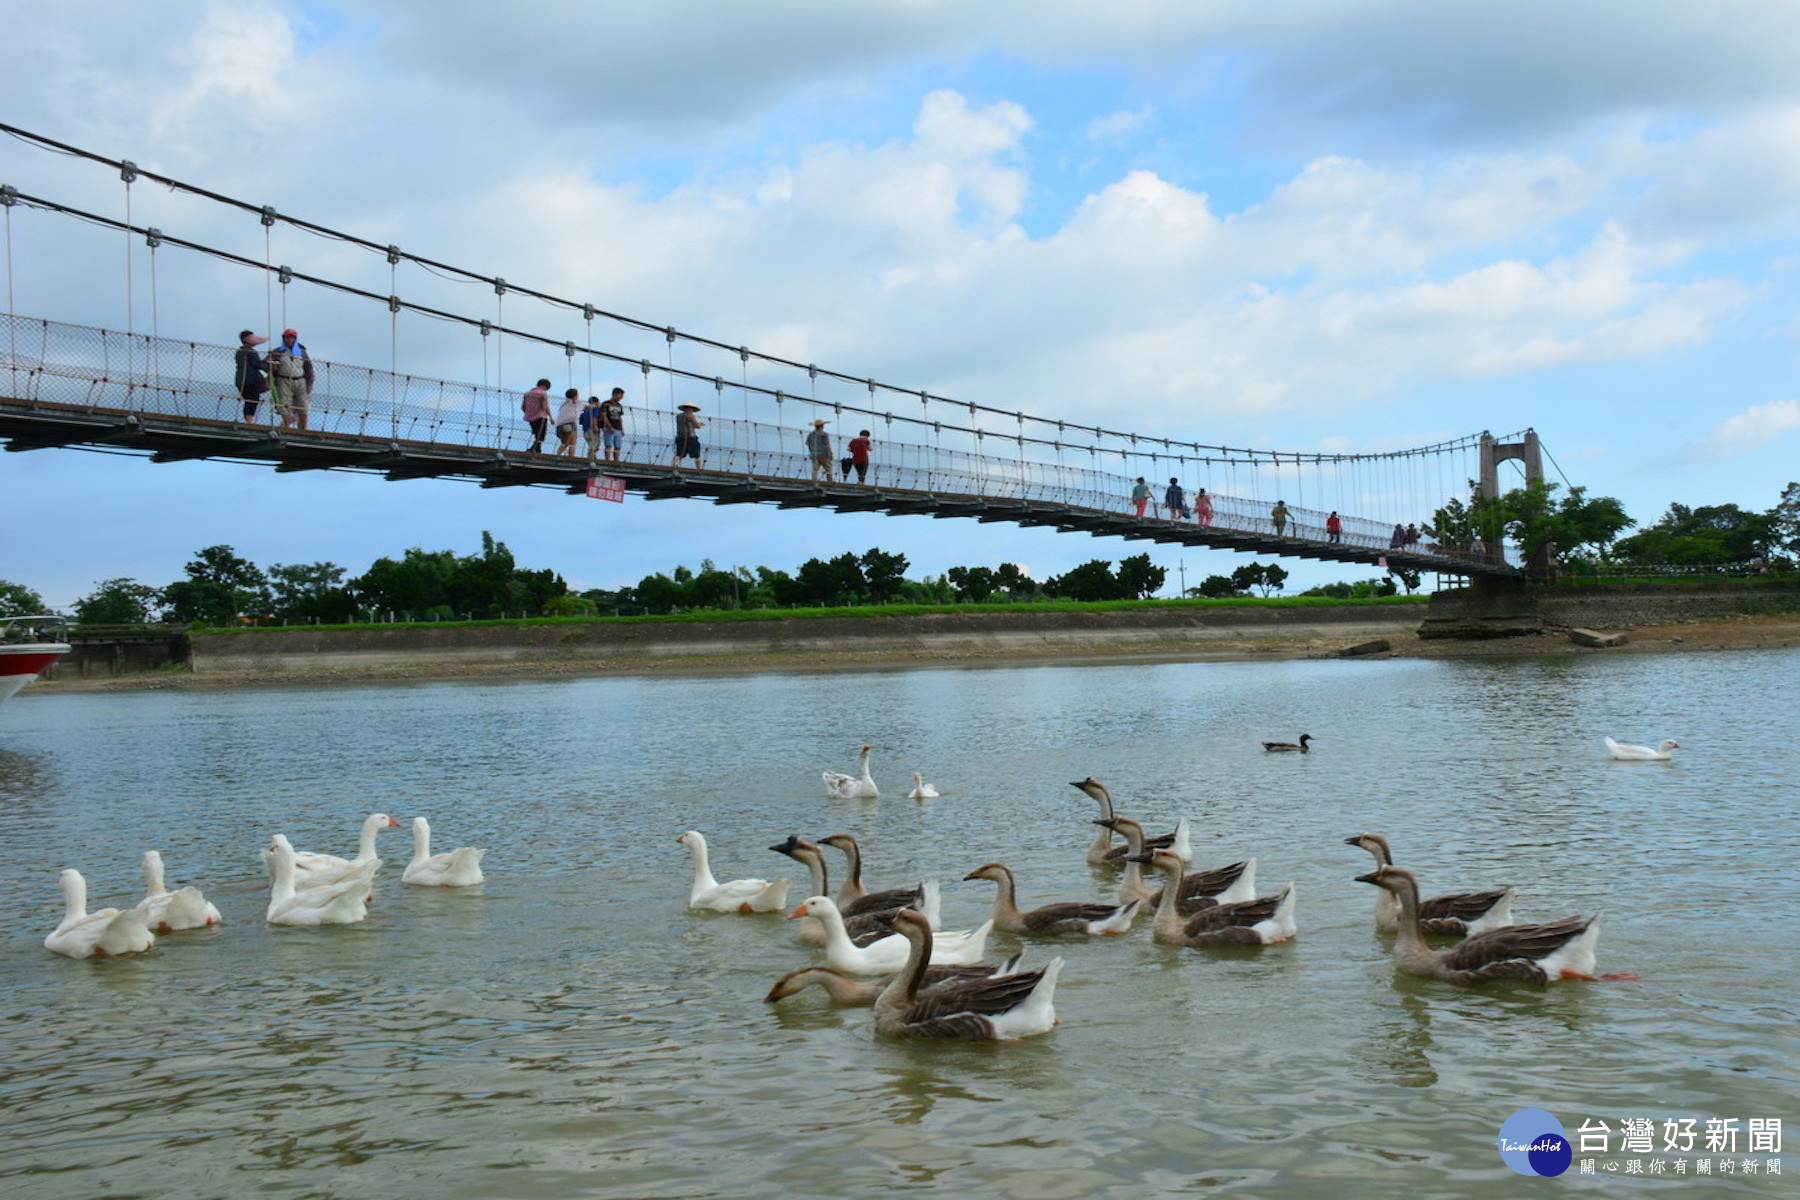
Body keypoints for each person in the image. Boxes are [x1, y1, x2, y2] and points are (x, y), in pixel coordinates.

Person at [265, 328, 314, 430]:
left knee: (302, 405)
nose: (289, 339)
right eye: (287, 337)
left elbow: (308, 367)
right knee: (284, 405)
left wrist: (309, 383)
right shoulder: (278, 351)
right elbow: (266, 362)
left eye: (291, 337)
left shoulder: (302, 352)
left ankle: (303, 428)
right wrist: (272, 364)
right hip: (283, 380)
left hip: (300, 380)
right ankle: (286, 427)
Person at [234, 330, 268, 421]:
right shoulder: (250, 352)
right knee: (253, 400)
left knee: (249, 400)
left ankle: (248, 420)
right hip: (251, 381)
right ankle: (249, 420)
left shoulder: (240, 351)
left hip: (241, 380)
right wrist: (270, 366)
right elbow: (258, 364)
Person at [521, 378, 552, 453]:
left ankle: (537, 449)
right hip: (541, 416)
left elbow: (523, 407)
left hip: (530, 416)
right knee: (541, 435)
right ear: (545, 386)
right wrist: (550, 417)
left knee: (536, 434)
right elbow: (545, 406)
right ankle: (533, 448)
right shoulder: (543, 393)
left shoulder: (527, 393)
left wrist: (528, 412)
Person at [673, 402, 704, 468]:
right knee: (697, 455)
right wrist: (701, 424)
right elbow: (697, 426)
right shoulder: (691, 416)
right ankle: (698, 469)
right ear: (691, 409)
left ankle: (673, 465)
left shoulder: (678, 416)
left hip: (680, 437)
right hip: (691, 437)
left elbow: (686, 424)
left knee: (679, 454)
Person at [554, 388, 581, 458]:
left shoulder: (563, 404)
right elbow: (587, 407)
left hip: (560, 424)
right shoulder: (576, 403)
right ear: (576, 396)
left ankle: (558, 454)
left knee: (565, 443)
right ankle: (571, 456)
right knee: (572, 443)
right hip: (570, 423)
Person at [600, 387, 626, 462]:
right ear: (615, 394)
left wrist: (622, 429)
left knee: (618, 446)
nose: (620, 398)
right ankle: (607, 459)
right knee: (608, 445)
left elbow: (620, 418)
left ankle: (616, 460)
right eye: (620, 396)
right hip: (609, 428)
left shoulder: (619, 405)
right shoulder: (605, 404)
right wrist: (609, 426)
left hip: (618, 428)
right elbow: (603, 416)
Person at [805, 418, 833, 482]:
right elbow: (827, 444)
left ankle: (814, 481)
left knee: (815, 469)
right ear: (822, 426)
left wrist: (811, 451)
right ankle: (830, 481)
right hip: (824, 454)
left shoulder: (810, 434)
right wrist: (830, 453)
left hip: (814, 454)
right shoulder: (824, 434)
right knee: (828, 468)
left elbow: (808, 444)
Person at [579, 395, 604, 462]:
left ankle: (593, 457)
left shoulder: (584, 412)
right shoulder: (595, 409)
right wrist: (595, 426)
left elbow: (580, 422)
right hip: (592, 430)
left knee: (591, 444)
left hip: (585, 431)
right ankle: (590, 459)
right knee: (595, 445)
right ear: (596, 402)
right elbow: (594, 417)